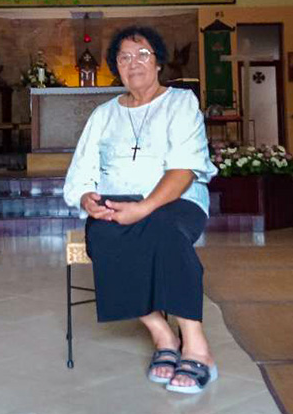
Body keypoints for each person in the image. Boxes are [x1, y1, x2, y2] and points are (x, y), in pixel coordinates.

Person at [64, 26, 219, 395]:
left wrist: (144, 208)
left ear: (158, 61)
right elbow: (81, 171)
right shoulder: (104, 114)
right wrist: (87, 198)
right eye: (124, 57)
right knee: (103, 236)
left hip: (177, 200)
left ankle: (197, 346)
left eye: (142, 54)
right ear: (116, 67)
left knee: (163, 230)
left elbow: (184, 170)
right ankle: (162, 335)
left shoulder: (180, 102)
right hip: (118, 201)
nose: (133, 63)